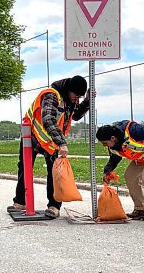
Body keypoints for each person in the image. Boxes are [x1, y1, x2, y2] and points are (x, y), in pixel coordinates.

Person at [7, 75, 93, 218]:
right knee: (24, 168)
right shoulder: (51, 95)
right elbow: (48, 118)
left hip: (50, 141)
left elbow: (76, 115)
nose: (77, 99)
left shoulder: (68, 100)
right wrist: (61, 142)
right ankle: (21, 201)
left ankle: (54, 206)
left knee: (54, 173)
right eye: (76, 96)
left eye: (79, 97)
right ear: (69, 89)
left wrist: (87, 101)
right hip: (32, 137)